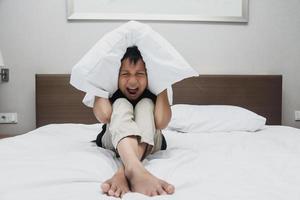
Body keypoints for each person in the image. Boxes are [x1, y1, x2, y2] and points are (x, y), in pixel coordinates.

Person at [92, 46, 175, 198]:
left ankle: (125, 171)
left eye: (140, 74)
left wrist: (162, 82)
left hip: (151, 141)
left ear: (148, 75)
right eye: (125, 74)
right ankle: (137, 170)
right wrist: (101, 79)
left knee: (146, 105)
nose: (132, 81)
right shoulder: (112, 91)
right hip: (113, 139)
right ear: (116, 75)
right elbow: (104, 115)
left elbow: (162, 123)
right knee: (121, 104)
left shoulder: (154, 91)